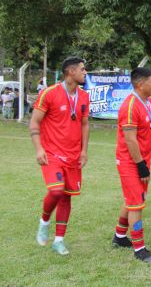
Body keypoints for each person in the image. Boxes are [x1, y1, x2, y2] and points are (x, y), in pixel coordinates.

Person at [111, 67, 151, 263]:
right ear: (140, 84)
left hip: (141, 160)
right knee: (136, 205)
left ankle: (120, 236)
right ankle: (139, 248)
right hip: (130, 162)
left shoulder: (149, 103)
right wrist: (140, 165)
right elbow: (130, 140)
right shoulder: (130, 106)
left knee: (132, 200)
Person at [30, 57, 90, 255]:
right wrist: (39, 149)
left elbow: (84, 124)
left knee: (66, 197)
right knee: (56, 191)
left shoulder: (84, 96)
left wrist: (83, 151)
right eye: (82, 69)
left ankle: (59, 240)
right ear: (71, 72)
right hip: (52, 153)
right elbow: (34, 122)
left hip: (73, 156)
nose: (85, 72)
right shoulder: (49, 93)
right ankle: (44, 221)